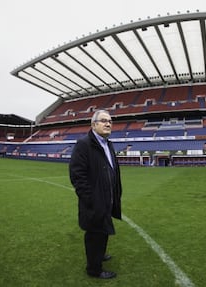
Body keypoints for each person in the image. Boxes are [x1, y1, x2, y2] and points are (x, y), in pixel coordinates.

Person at [69, 110, 122, 279]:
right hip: (94, 200)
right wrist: (90, 199)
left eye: (110, 121)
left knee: (103, 229)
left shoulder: (109, 144)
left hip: (108, 198)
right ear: (93, 124)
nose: (108, 124)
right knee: (94, 233)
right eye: (104, 121)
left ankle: (99, 254)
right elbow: (77, 175)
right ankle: (94, 269)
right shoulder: (84, 144)